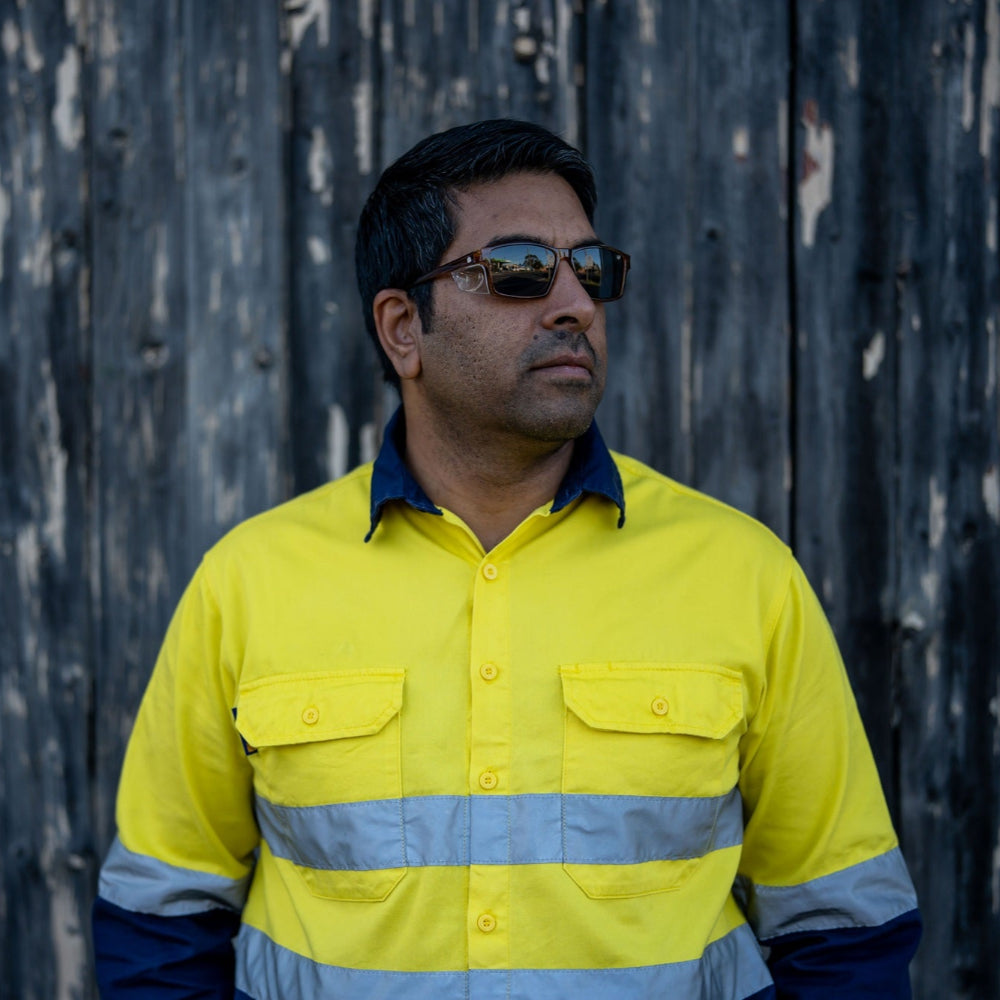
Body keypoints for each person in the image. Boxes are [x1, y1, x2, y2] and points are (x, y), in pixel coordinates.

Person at [92, 118, 921, 999]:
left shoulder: (745, 576)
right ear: (403, 327)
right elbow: (161, 919)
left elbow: (844, 927)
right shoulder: (249, 583)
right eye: (523, 270)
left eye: (592, 271)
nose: (575, 305)